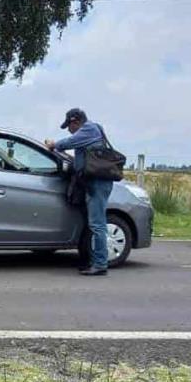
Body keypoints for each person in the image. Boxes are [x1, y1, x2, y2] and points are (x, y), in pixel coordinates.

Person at [45, 108, 113, 276]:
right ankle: (92, 260)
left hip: (97, 183)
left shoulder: (89, 129)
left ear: (75, 122)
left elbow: (68, 142)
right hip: (92, 182)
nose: (69, 129)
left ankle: (100, 264)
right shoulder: (89, 133)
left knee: (97, 225)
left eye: (69, 125)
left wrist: (53, 145)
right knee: (93, 224)